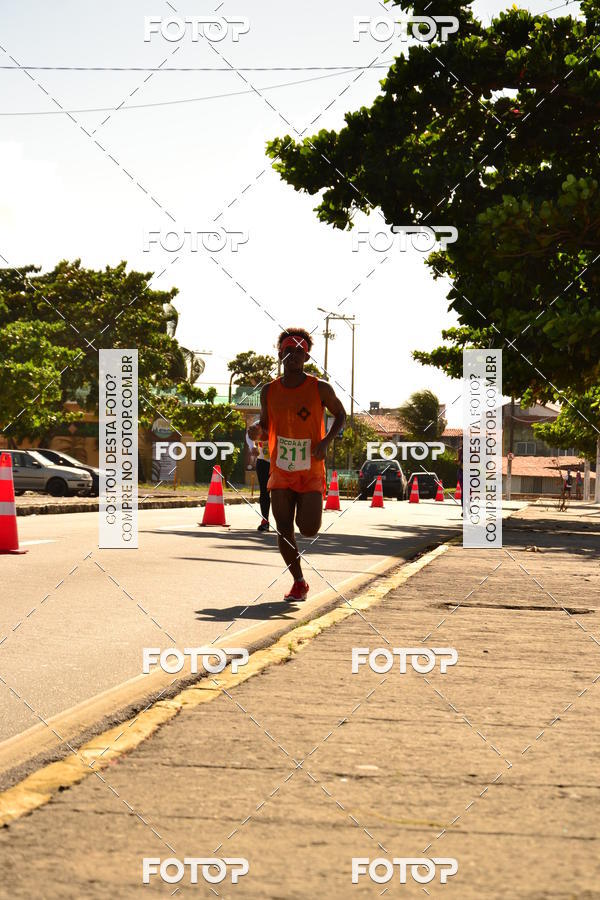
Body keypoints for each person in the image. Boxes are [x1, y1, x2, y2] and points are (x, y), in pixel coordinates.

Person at [248, 328, 346, 602]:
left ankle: (300, 571)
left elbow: (341, 414)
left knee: (309, 528)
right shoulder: (269, 390)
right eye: (287, 351)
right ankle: (299, 581)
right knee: (283, 527)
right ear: (280, 354)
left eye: (298, 351)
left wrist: (326, 442)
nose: (292, 356)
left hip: (311, 468)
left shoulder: (320, 388)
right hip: (280, 469)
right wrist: (257, 429)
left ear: (306, 356)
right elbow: (266, 422)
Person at [247, 421, 271, 531]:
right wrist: (252, 446)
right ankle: (265, 520)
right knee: (264, 492)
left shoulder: (279, 423)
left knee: (280, 492)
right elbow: (248, 435)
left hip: (280, 463)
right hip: (263, 461)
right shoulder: (258, 424)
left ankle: (285, 522)